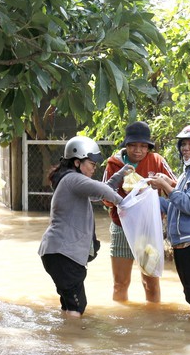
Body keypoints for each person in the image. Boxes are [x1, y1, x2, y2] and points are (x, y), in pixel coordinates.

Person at [39, 135, 132, 318]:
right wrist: (128, 206)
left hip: (58, 254)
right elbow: (102, 190)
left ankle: (64, 342)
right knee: (77, 306)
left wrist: (119, 176)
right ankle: (74, 344)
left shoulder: (70, 181)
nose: (93, 168)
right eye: (91, 163)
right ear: (77, 162)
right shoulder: (72, 179)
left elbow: (99, 192)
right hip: (63, 255)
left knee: (69, 305)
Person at [147, 125, 190, 323]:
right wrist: (153, 195)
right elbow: (174, 207)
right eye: (183, 144)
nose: (186, 148)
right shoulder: (189, 172)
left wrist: (166, 187)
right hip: (183, 243)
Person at [102, 121, 177, 304]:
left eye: (143, 146)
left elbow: (176, 188)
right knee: (120, 283)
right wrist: (122, 189)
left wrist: (160, 183)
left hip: (149, 230)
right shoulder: (114, 163)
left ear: (148, 148)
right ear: (126, 146)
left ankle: (152, 323)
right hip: (122, 228)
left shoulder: (157, 161)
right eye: (133, 145)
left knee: (151, 283)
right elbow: (104, 197)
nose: (138, 150)